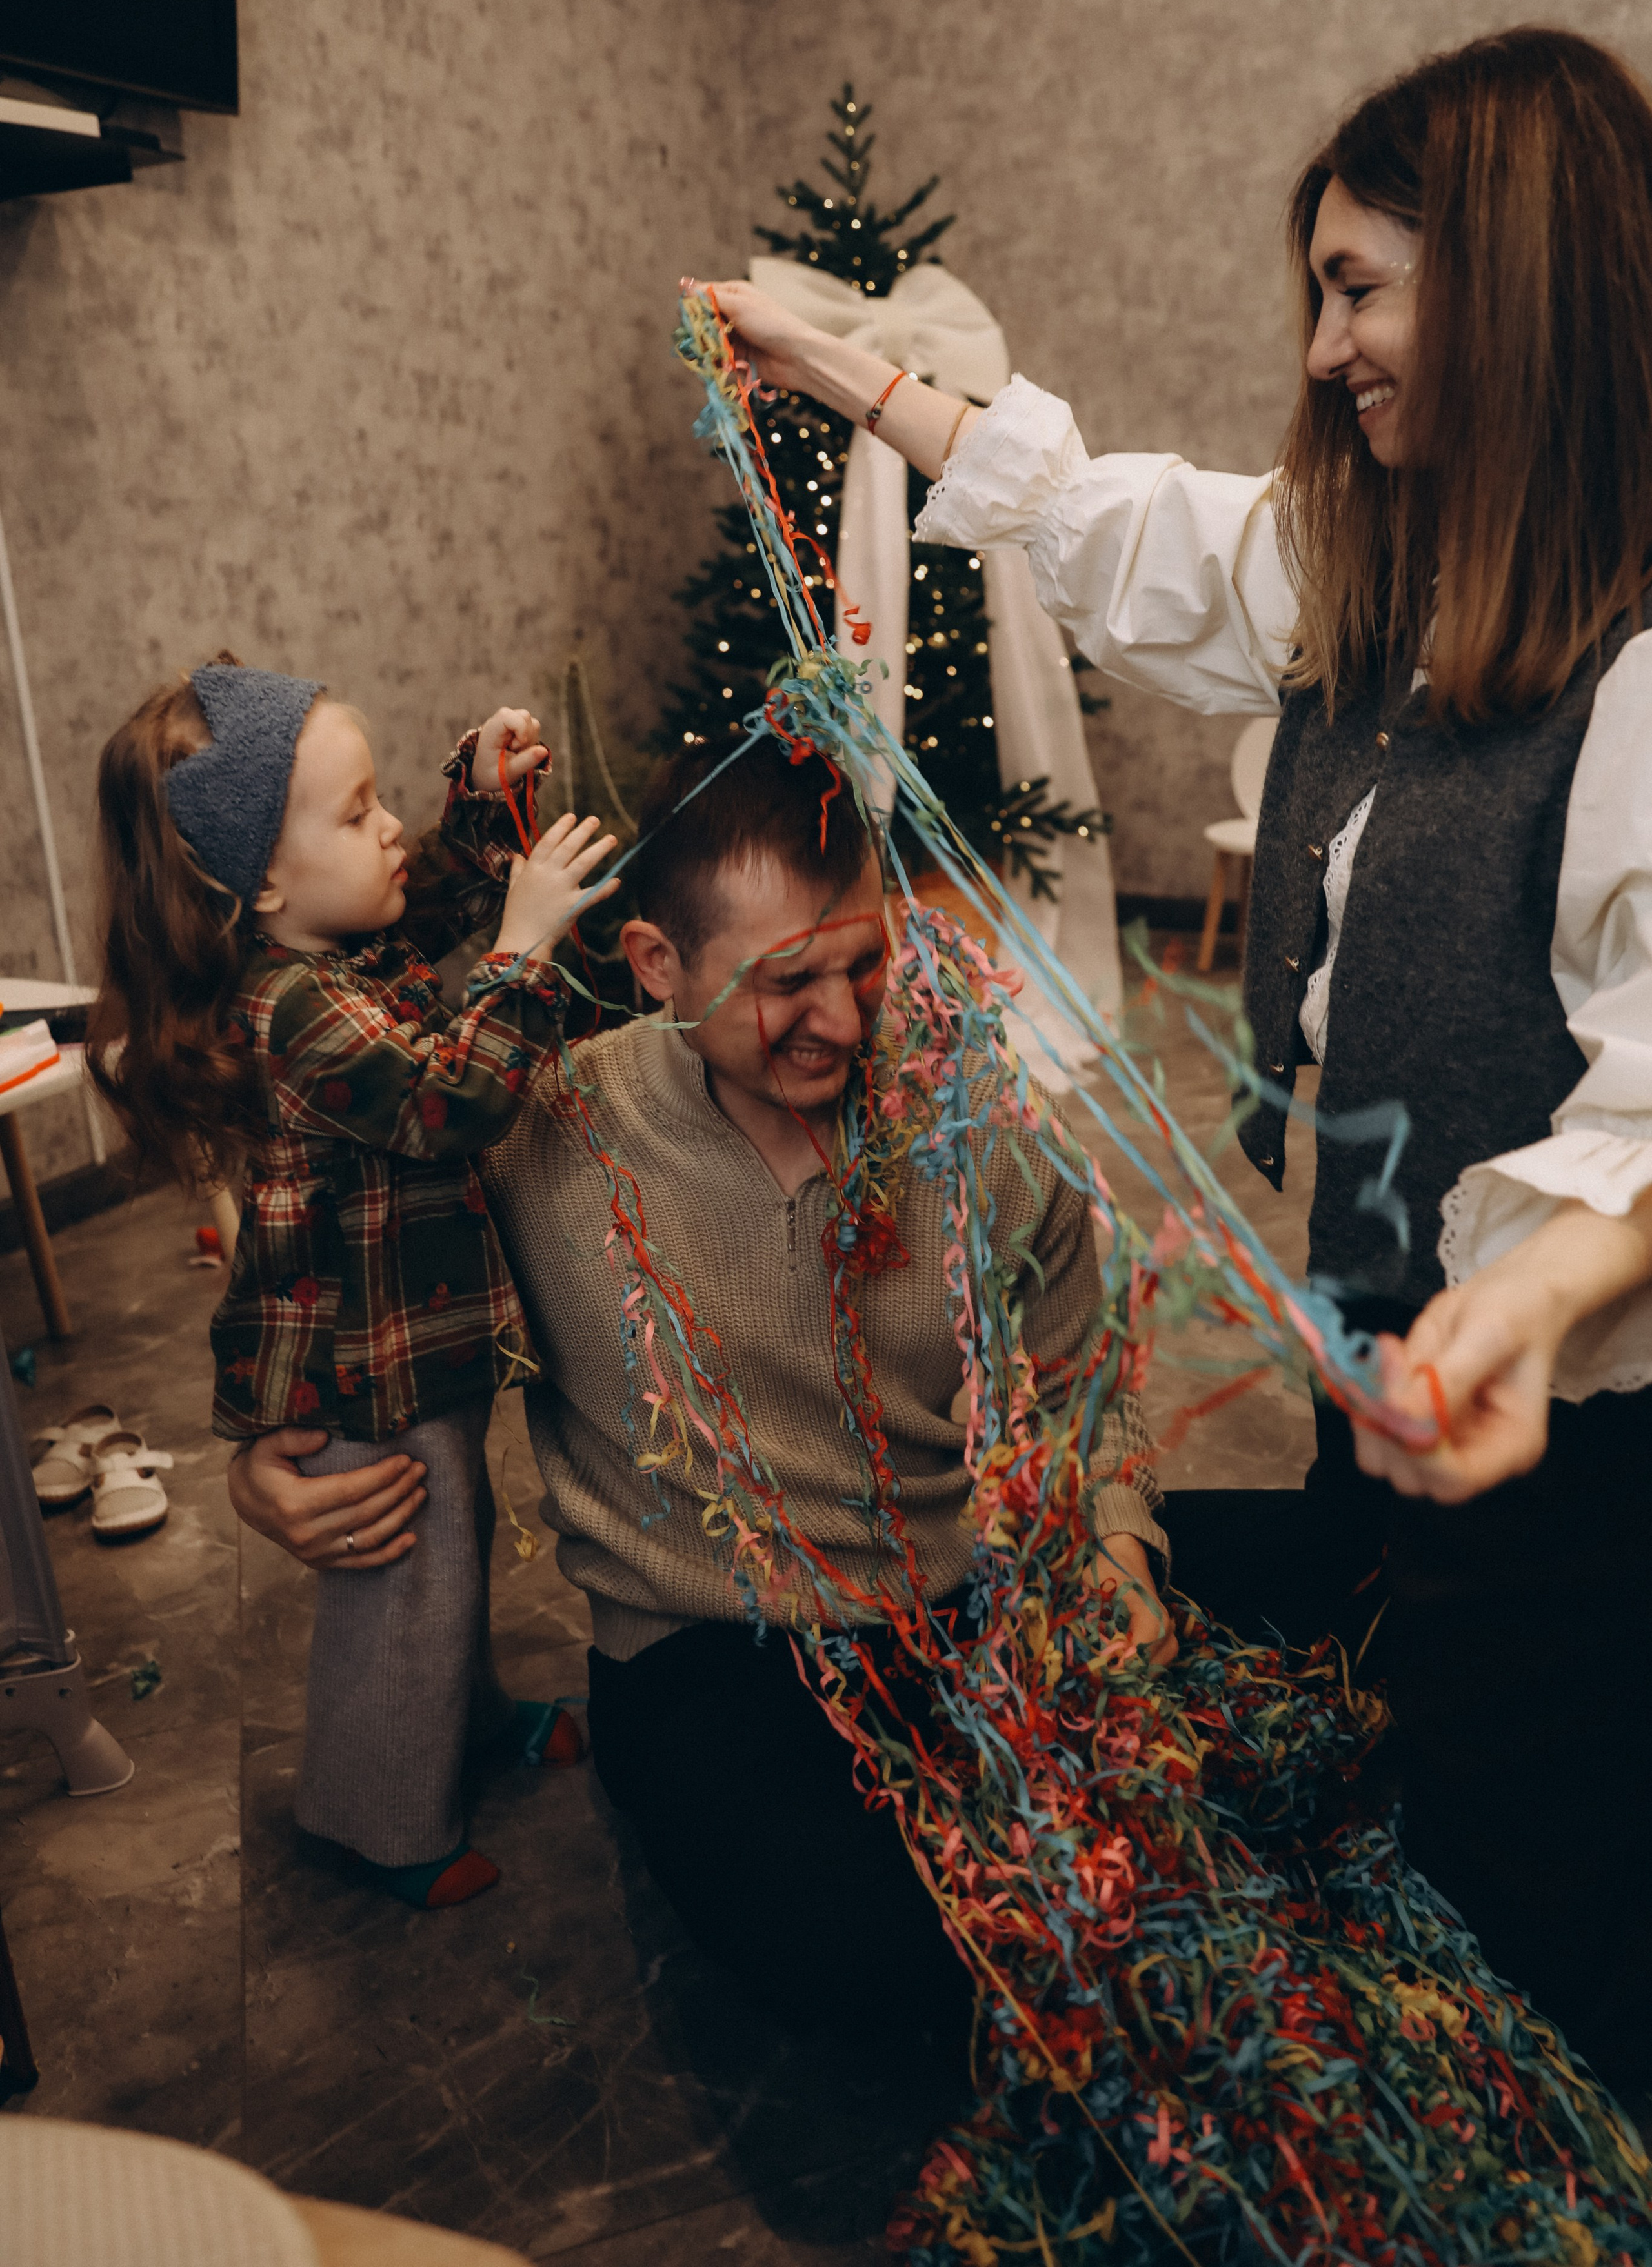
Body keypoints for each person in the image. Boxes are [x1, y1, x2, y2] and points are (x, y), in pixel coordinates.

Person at [690, 25, 1652, 2097]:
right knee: (1414, 1746)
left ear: (1518, 287)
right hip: (1410, 1357)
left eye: (1359, 289)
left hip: (1584, 1432)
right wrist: (838, 367)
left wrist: (1537, 1296)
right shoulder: (1383, 565)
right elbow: (1124, 526)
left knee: (1548, 1859)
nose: (1321, 350)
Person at [231, 730, 1173, 2041]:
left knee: (1349, 1585)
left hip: (962, 1588)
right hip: (712, 1647)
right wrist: (263, 1452)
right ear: (655, 964)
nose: (843, 1021)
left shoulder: (961, 1115)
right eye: (787, 983)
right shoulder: (551, 1130)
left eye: (863, 964)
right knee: (871, 1962)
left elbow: (1082, 1371)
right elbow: (335, 1253)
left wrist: (1118, 1549)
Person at [90, 652, 617, 1907]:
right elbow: (453, 1100)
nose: (390, 831)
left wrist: (479, 796)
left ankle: (462, 1719)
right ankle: (376, 1816)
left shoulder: (328, 948)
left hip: (409, 1337)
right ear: (262, 882)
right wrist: (525, 949)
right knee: (405, 1588)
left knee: (448, 1550)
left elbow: (425, 890)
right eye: (359, 810)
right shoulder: (294, 1009)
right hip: (360, 1367)